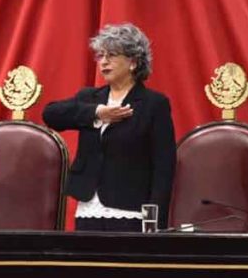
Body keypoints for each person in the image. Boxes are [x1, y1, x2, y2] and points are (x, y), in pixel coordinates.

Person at [42, 23, 176, 232]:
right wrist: (96, 113)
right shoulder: (89, 98)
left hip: (131, 211)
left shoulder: (153, 104)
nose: (104, 62)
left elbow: (163, 168)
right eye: (101, 56)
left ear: (133, 62)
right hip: (88, 207)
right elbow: (51, 114)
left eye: (112, 55)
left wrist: (153, 222)